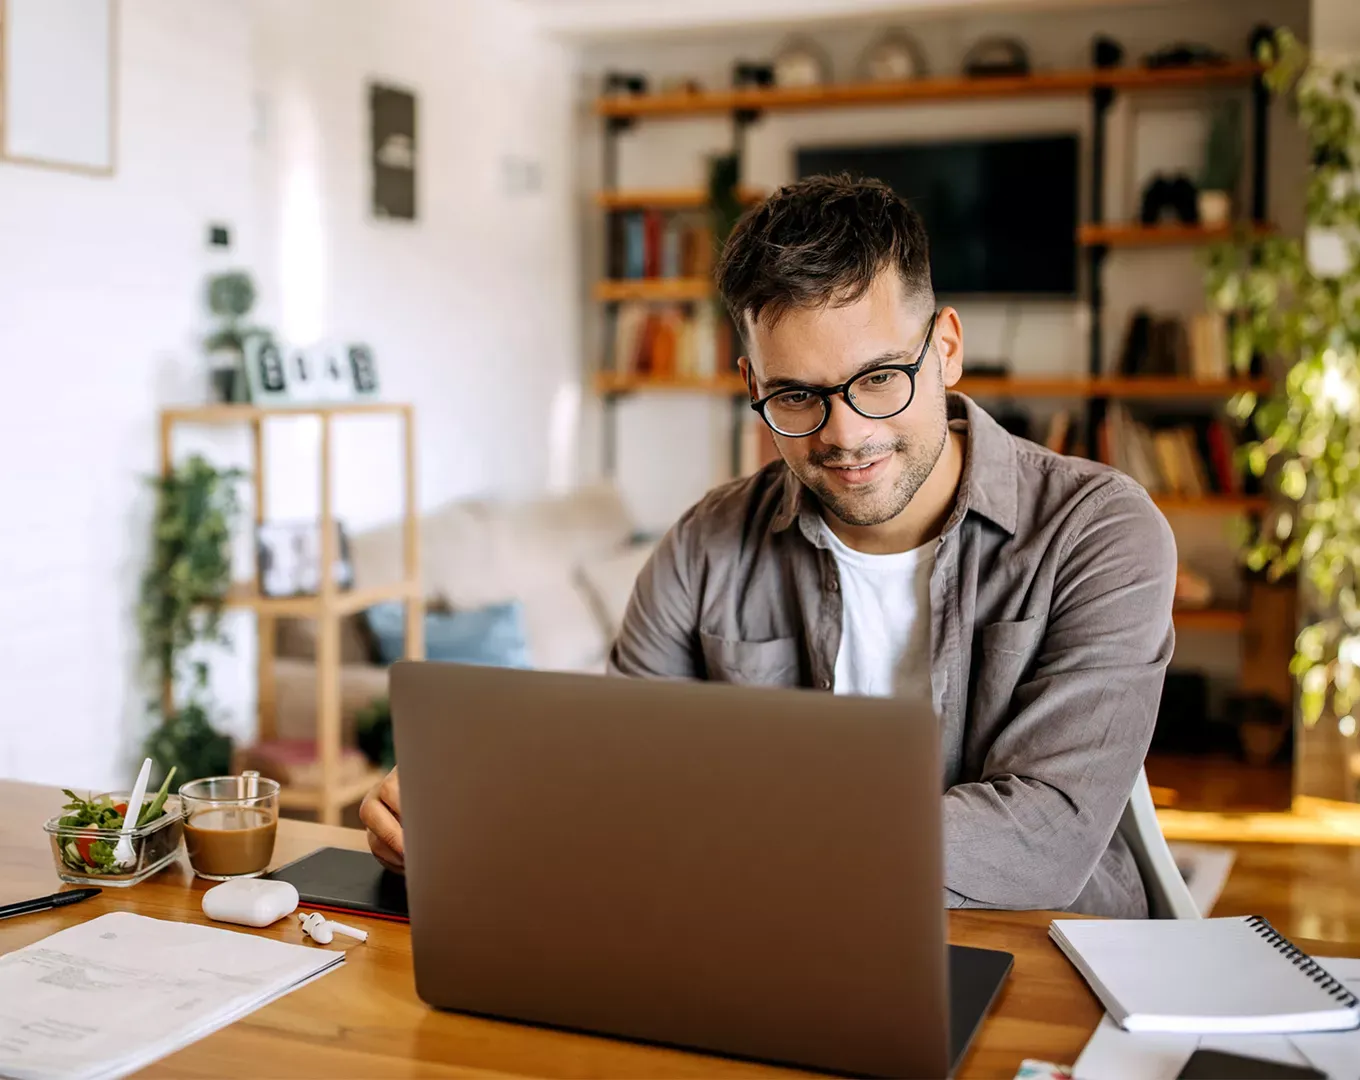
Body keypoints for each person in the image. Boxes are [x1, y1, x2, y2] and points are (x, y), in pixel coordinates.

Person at [361, 174, 1176, 917]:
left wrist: (719, 834)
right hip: (770, 943)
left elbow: (1040, 847)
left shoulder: (1097, 534)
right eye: (797, 395)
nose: (848, 433)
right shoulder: (704, 548)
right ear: (754, 386)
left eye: (881, 376)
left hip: (1040, 959)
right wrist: (464, 819)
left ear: (947, 349)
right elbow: (619, 776)